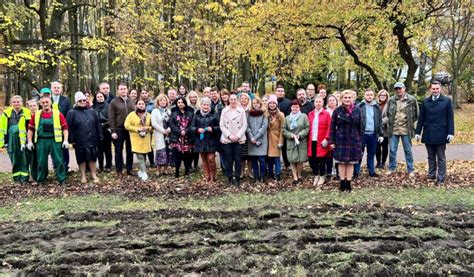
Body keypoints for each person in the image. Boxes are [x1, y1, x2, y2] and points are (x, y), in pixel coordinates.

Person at [415, 81, 455, 184]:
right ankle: (431, 175)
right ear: (430, 89)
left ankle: (441, 178)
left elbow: (450, 118)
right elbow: (421, 118)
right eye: (433, 89)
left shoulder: (446, 101)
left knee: (441, 157)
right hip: (428, 132)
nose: (435, 90)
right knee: (430, 156)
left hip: (441, 132)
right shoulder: (425, 101)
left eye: (437, 88)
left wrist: (450, 132)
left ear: (440, 89)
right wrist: (418, 132)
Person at [26, 96, 69, 184]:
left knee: (59, 160)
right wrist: (29, 141)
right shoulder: (36, 114)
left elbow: (65, 128)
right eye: (43, 103)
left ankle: (62, 178)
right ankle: (41, 179)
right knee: (41, 161)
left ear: (51, 103)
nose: (45, 104)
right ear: (40, 104)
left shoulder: (57, 113)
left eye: (47, 102)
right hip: (41, 141)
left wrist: (65, 140)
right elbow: (30, 129)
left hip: (55, 141)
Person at [329, 90, 363, 192]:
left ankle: (348, 183)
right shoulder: (337, 111)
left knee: (351, 163)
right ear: (341, 99)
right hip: (340, 139)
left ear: (352, 99)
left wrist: (360, 141)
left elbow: (361, 127)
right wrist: (332, 141)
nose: (347, 99)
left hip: (354, 140)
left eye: (349, 98)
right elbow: (332, 128)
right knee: (342, 162)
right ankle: (342, 183)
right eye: (345, 97)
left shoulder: (357, 110)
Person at [67, 92, 102, 183]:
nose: (82, 102)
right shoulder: (72, 113)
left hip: (92, 138)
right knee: (81, 158)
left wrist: (100, 135)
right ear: (76, 101)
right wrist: (72, 140)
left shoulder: (92, 111)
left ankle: (93, 174)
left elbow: (97, 124)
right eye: (80, 100)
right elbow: (70, 128)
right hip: (79, 140)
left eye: (84, 100)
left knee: (93, 157)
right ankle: (83, 175)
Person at [386, 82, 419, 177]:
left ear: (404, 89)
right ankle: (392, 168)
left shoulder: (412, 100)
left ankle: (411, 169)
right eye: (396, 89)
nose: (398, 90)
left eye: (400, 88)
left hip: (406, 129)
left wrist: (414, 127)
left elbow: (417, 114)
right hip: (394, 129)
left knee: (408, 150)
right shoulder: (391, 100)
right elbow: (388, 114)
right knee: (392, 150)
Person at [0, 95, 31, 183]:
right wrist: (3, 142)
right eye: (14, 102)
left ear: (22, 103)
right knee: (14, 159)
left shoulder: (27, 112)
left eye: (18, 102)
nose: (16, 103)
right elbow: (2, 129)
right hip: (11, 140)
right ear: (11, 103)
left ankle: (25, 178)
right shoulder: (6, 114)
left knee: (24, 159)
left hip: (24, 139)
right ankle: (17, 179)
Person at [354, 89, 384, 178]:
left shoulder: (377, 107)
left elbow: (380, 121)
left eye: (371, 94)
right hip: (362, 134)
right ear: (364, 95)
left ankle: (371, 171)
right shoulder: (359, 106)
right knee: (359, 153)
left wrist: (381, 134)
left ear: (373, 96)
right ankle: (356, 172)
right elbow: (356, 121)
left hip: (373, 135)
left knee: (371, 154)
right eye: (367, 94)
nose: (369, 96)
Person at [190, 97, 220, 182]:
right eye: (204, 104)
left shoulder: (214, 114)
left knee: (211, 158)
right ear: (201, 105)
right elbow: (191, 127)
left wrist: (213, 129)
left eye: (207, 105)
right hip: (200, 140)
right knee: (203, 158)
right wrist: (197, 130)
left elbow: (219, 127)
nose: (206, 106)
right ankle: (207, 175)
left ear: (209, 105)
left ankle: (213, 176)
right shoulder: (197, 114)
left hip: (211, 140)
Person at [220, 94, 247, 186]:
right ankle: (230, 178)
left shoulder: (241, 111)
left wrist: (238, 136)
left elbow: (244, 125)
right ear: (229, 100)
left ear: (237, 100)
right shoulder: (224, 110)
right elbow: (222, 125)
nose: (233, 101)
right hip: (227, 139)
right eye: (231, 99)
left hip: (238, 139)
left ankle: (238, 178)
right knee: (228, 159)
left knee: (238, 159)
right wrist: (229, 135)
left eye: (234, 99)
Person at [109, 83, 135, 177]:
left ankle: (129, 169)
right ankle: (119, 170)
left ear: (127, 90)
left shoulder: (132, 101)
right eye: (121, 89)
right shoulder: (114, 102)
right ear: (118, 91)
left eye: (124, 88)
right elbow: (111, 117)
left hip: (130, 130)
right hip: (119, 129)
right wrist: (113, 131)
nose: (123, 90)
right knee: (118, 151)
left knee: (130, 150)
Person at [125, 98, 152, 181]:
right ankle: (144, 172)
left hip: (146, 139)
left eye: (142, 104)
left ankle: (140, 170)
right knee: (140, 156)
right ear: (136, 105)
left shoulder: (148, 115)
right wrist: (137, 129)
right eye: (139, 104)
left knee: (144, 156)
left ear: (145, 105)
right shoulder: (131, 115)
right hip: (136, 138)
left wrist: (148, 128)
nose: (141, 105)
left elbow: (152, 126)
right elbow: (127, 125)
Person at [283, 100, 309, 185]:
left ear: (299, 108)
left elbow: (307, 128)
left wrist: (300, 135)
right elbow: (284, 129)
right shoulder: (287, 118)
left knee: (300, 160)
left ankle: (299, 174)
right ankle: (295, 177)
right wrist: (290, 135)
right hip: (291, 141)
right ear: (291, 108)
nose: (295, 108)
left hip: (301, 141)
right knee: (292, 160)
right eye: (293, 107)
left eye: (297, 107)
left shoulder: (304, 116)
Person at [307, 96, 331, 186]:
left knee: (321, 160)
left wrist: (326, 138)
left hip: (321, 141)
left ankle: (321, 176)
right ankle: (316, 175)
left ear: (323, 103)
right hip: (311, 140)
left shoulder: (326, 114)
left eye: (320, 102)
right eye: (316, 102)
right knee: (312, 160)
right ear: (314, 103)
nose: (318, 103)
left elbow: (329, 127)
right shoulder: (310, 114)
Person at [169, 97, 195, 177]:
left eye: (182, 102)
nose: (180, 104)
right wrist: (180, 132)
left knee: (187, 156)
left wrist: (186, 131)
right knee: (177, 156)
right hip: (177, 138)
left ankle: (186, 171)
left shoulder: (190, 112)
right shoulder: (173, 113)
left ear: (185, 103)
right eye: (179, 102)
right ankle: (177, 172)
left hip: (188, 137)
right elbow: (171, 124)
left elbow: (192, 124)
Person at [247, 96, 269, 183]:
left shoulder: (264, 113)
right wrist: (251, 137)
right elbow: (247, 126)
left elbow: (264, 127)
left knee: (262, 159)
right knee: (254, 160)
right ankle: (256, 176)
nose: (255, 105)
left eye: (257, 103)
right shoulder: (249, 113)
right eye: (254, 103)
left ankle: (262, 176)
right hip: (251, 140)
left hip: (261, 140)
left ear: (260, 104)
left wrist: (255, 137)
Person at [50, 81, 71, 172]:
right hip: (50, 129)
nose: (56, 89)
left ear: (61, 89)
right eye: (54, 87)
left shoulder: (66, 100)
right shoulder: (47, 99)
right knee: (54, 149)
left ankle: (65, 167)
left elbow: (69, 114)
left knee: (64, 148)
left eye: (58, 87)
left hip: (63, 128)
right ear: (51, 89)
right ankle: (56, 167)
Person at [151, 94, 171, 177]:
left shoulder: (169, 111)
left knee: (167, 151)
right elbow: (154, 123)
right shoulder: (155, 111)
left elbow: (172, 122)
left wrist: (169, 130)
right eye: (161, 100)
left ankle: (165, 169)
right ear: (158, 102)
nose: (163, 102)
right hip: (160, 133)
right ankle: (158, 169)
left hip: (168, 135)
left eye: (164, 100)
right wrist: (163, 131)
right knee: (160, 152)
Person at [266, 95, 285, 181]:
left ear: (276, 104)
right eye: (270, 103)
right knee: (268, 157)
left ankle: (278, 174)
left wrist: (281, 141)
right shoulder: (266, 114)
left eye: (274, 103)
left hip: (276, 138)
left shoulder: (280, 115)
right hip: (266, 138)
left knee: (276, 157)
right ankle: (270, 173)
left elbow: (282, 129)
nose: (272, 104)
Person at [93, 92, 112, 172]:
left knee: (108, 149)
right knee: (99, 150)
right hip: (97, 131)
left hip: (107, 129)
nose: (100, 98)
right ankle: (100, 166)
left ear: (104, 97)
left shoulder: (109, 106)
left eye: (101, 96)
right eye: (98, 97)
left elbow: (111, 117)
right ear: (96, 98)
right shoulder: (93, 107)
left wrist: (105, 124)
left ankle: (108, 165)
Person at [140, 88, 156, 168]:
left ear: (148, 94)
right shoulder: (139, 103)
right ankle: (143, 162)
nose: (144, 94)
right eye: (142, 93)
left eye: (145, 93)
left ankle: (152, 162)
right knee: (142, 144)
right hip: (140, 127)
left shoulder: (152, 104)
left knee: (149, 144)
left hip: (149, 126)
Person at [239, 92, 253, 178]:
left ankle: (250, 172)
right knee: (241, 155)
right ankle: (241, 172)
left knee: (250, 154)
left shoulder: (251, 109)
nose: (244, 100)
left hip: (250, 134)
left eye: (245, 98)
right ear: (239, 100)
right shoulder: (237, 109)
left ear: (248, 100)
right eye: (242, 98)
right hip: (240, 134)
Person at [376, 89, 390, 169]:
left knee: (385, 147)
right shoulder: (375, 104)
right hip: (377, 129)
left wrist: (380, 122)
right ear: (378, 96)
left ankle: (383, 163)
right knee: (377, 147)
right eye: (381, 95)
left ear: (387, 96)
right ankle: (378, 162)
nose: (383, 97)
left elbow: (390, 115)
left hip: (385, 128)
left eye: (384, 95)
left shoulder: (389, 104)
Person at [325, 94, 339, 178]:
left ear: (336, 101)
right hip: (328, 135)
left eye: (333, 100)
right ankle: (329, 171)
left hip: (338, 135)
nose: (331, 102)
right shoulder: (326, 111)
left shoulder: (339, 110)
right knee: (328, 154)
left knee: (337, 154)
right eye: (330, 100)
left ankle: (338, 172)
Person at [26, 99, 39, 181]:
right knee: (32, 159)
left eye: (34, 106)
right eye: (31, 106)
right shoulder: (26, 117)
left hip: (39, 140)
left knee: (40, 158)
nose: (33, 107)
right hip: (30, 140)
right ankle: (33, 176)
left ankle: (41, 175)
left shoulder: (40, 115)